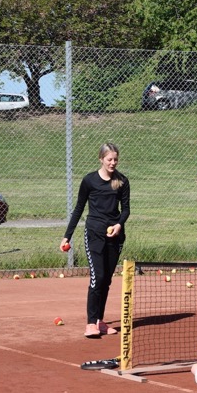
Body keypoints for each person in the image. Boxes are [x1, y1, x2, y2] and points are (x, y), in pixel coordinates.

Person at [60, 143, 130, 338]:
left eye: (115, 159)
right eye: (109, 159)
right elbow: (79, 208)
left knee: (106, 280)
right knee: (97, 277)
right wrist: (68, 235)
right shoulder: (89, 181)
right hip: (94, 234)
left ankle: (99, 321)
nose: (113, 163)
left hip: (115, 236)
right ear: (101, 159)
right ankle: (90, 323)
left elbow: (125, 209)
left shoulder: (122, 181)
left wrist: (119, 225)